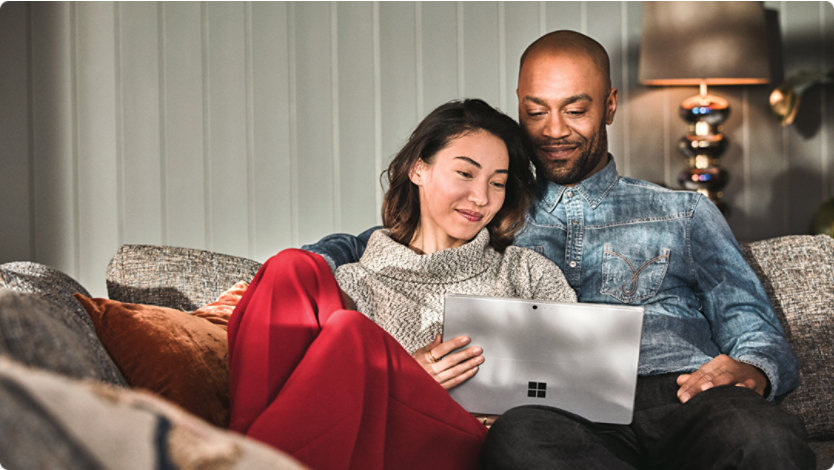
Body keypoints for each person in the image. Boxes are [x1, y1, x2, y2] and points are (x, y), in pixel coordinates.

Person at [302, 31, 815, 469]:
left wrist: (751, 368)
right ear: (519, 104)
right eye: (536, 111)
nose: (554, 130)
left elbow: (754, 327)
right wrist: (302, 270)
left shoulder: (683, 213)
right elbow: (387, 242)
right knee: (517, 441)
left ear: (609, 105)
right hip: (559, 415)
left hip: (678, 392)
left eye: (575, 110)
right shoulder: (491, 204)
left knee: (766, 438)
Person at [227, 98, 577, 470]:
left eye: (498, 183)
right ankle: (237, 451)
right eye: (465, 173)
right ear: (417, 170)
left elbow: (577, 381)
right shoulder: (352, 282)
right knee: (291, 268)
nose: (481, 197)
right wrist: (407, 376)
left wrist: (412, 385)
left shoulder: (526, 271)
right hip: (358, 448)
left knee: (351, 332)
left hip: (472, 446)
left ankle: (237, 458)